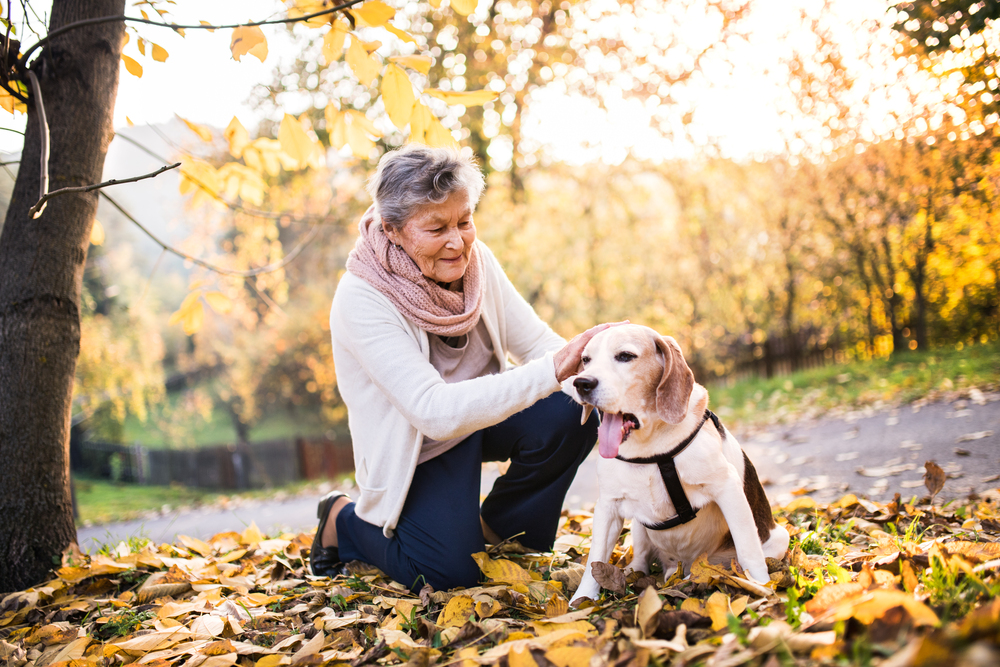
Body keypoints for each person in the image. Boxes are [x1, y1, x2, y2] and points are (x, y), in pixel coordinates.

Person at [311, 144, 614, 591]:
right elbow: (433, 412)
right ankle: (345, 521)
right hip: (419, 446)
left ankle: (497, 533)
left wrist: (600, 382)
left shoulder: (476, 262)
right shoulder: (362, 299)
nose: (458, 241)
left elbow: (535, 343)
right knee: (447, 575)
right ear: (393, 229)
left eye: (464, 221)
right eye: (436, 228)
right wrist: (553, 370)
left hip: (482, 416)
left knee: (577, 407)